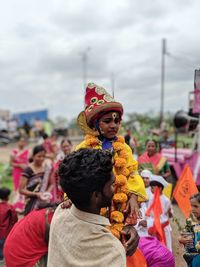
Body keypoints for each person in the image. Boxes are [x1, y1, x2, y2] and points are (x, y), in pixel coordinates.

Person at [76, 83, 147, 239]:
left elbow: (132, 173)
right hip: (92, 207)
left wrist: (134, 196)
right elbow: (73, 176)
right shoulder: (84, 147)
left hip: (119, 205)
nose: (113, 125)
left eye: (117, 121)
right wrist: (69, 197)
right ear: (95, 124)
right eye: (107, 121)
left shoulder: (125, 148)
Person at [48, 148, 139, 267]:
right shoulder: (112, 251)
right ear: (96, 195)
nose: (114, 188)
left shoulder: (60, 213)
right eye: (111, 184)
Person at [19, 145, 54, 215]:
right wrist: (36, 194)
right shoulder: (28, 170)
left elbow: (52, 184)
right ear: (33, 156)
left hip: (43, 201)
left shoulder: (47, 168)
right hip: (30, 202)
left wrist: (46, 193)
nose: (41, 158)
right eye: (39, 156)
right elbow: (21, 190)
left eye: (43, 156)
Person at [146, 175, 173, 251]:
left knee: (165, 245)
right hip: (152, 226)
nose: (151, 189)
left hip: (163, 226)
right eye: (151, 187)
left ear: (160, 188)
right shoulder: (151, 198)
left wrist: (169, 211)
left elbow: (170, 215)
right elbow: (149, 212)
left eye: (153, 187)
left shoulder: (166, 200)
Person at [178, 193, 200, 267]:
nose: (192, 209)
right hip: (193, 261)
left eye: (196, 206)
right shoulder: (190, 222)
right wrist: (181, 240)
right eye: (191, 206)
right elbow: (183, 236)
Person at [10, 137, 29, 212]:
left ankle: (22, 207)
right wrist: (19, 165)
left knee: (23, 187)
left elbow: (30, 162)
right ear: (18, 142)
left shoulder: (27, 152)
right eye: (21, 141)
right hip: (16, 172)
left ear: (25, 143)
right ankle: (16, 206)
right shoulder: (14, 152)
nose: (22, 143)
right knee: (17, 188)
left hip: (24, 173)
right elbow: (11, 163)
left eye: (24, 142)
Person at [0, 187, 18, 261]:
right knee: (4, 246)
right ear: (8, 197)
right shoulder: (10, 207)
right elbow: (14, 219)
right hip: (6, 232)